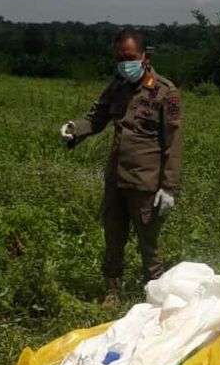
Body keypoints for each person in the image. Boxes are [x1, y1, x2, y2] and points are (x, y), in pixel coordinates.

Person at [60, 28, 182, 307]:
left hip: (145, 184)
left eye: (129, 57)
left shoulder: (164, 92)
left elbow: (173, 142)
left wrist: (169, 186)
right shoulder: (116, 87)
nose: (124, 62)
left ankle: (155, 294)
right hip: (116, 180)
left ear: (144, 56)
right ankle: (112, 290)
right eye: (119, 57)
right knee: (113, 238)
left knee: (148, 243)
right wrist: (74, 130)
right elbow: (96, 118)